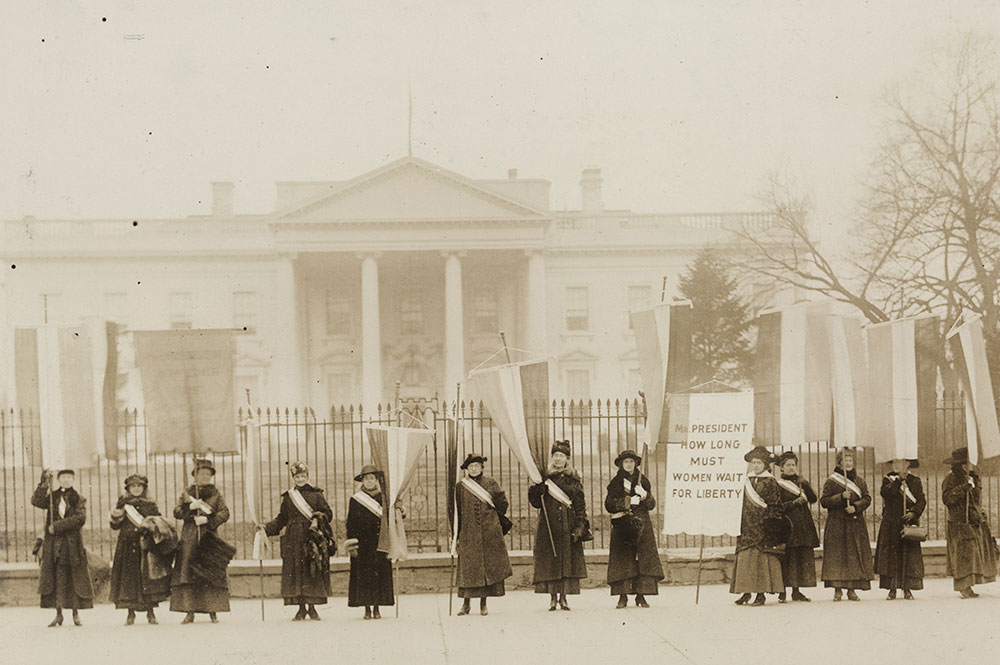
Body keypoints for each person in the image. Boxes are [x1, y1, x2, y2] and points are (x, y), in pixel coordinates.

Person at [261, 462, 334, 620]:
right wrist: (266, 528)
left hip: (311, 537)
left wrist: (318, 517)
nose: (300, 479)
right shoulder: (289, 497)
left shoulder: (317, 494)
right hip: (293, 538)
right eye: (297, 477)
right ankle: (301, 608)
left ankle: (312, 608)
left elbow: (328, 513)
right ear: (293, 478)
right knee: (296, 572)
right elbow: (282, 519)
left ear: (308, 477)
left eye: (303, 476)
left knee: (312, 569)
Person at [528, 440, 590, 611]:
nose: (558, 459)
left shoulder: (574, 478)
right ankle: (552, 598)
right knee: (551, 561)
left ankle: (563, 598)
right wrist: (536, 491)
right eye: (555, 456)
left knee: (565, 561)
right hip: (548, 524)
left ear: (567, 459)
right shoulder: (543, 477)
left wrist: (580, 524)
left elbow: (580, 503)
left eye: (561, 456)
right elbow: (536, 503)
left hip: (568, 524)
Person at [170, 458, 232, 623]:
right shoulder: (187, 493)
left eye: (207, 474)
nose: (204, 477)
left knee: (209, 572)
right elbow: (176, 512)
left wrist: (208, 521)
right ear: (194, 475)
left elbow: (225, 513)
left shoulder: (216, 494)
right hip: (190, 537)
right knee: (189, 573)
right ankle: (190, 611)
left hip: (208, 536)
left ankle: (212, 611)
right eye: (200, 473)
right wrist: (189, 508)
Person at [31, 469, 94, 627]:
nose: (66, 480)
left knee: (73, 578)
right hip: (54, 545)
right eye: (63, 478)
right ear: (59, 480)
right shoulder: (52, 497)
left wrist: (57, 527)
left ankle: (75, 613)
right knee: (57, 578)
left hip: (72, 545)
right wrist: (44, 483)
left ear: (73, 480)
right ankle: (58, 614)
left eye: (69, 478)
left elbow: (80, 518)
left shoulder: (78, 498)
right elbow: (36, 501)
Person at [454, 454, 513, 616]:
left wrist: (493, 518)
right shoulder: (461, 487)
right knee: (468, 569)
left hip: (489, 532)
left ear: (481, 468)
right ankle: (465, 604)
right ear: (467, 469)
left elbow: (502, 503)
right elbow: (456, 510)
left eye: (477, 466)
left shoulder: (491, 483)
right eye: (470, 466)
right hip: (468, 533)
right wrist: (457, 534)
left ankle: (483, 604)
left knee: (486, 570)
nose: (473, 469)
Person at [605, 449, 664, 608]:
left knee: (642, 560)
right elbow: (609, 505)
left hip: (641, 524)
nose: (629, 464)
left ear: (635, 463)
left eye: (631, 461)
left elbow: (651, 505)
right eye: (626, 462)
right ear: (621, 464)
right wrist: (628, 501)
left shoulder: (642, 481)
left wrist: (644, 496)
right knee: (623, 560)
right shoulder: (615, 483)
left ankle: (641, 596)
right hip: (623, 525)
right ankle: (622, 596)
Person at [109, 474, 169, 625]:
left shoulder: (150, 505)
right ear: (128, 489)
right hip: (127, 546)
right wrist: (117, 512)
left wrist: (150, 526)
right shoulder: (123, 504)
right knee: (129, 579)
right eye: (133, 486)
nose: (136, 489)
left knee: (147, 578)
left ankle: (150, 612)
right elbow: (115, 526)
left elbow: (159, 524)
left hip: (146, 546)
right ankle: (130, 613)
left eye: (139, 486)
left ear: (144, 488)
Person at [941, 447, 998, 598]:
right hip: (959, 522)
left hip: (973, 520)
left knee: (973, 553)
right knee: (962, 554)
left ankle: (970, 585)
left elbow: (975, 500)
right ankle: (963, 587)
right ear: (959, 465)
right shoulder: (951, 478)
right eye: (966, 464)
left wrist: (979, 512)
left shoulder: (973, 477)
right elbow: (947, 499)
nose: (969, 466)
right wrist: (963, 488)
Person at [731, 446, 784, 607]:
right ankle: (746, 592)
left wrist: (769, 523)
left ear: (766, 465)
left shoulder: (770, 482)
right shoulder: (746, 480)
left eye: (759, 462)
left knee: (760, 561)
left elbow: (775, 506)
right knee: (745, 559)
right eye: (753, 462)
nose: (755, 465)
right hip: (746, 526)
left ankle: (760, 594)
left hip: (762, 527)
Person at [820, 447, 874, 601]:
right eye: (845, 461)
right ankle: (837, 590)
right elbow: (824, 501)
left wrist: (855, 507)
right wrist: (841, 497)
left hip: (854, 522)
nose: (848, 463)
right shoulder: (831, 481)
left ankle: (851, 589)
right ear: (840, 463)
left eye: (851, 460)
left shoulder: (860, 481)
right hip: (837, 523)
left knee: (853, 555)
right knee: (837, 556)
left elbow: (867, 498)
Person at [346, 464, 395, 619]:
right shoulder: (355, 500)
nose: (369, 481)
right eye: (366, 479)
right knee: (364, 576)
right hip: (363, 544)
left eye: (372, 478)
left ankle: (377, 607)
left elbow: (391, 519)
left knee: (379, 575)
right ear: (362, 481)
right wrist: (353, 544)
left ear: (376, 480)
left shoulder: (384, 498)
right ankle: (367, 608)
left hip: (380, 542)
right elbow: (351, 523)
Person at [874, 458, 926, 600]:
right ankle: (892, 589)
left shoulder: (915, 481)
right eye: (894, 463)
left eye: (900, 463)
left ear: (907, 464)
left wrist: (914, 512)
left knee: (908, 557)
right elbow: (887, 494)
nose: (896, 466)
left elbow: (921, 500)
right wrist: (898, 481)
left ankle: (907, 588)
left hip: (908, 523)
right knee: (892, 557)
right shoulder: (888, 480)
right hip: (891, 523)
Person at [774, 450, 819, 602]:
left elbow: (813, 499)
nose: (791, 467)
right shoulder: (778, 485)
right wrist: (793, 503)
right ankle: (783, 592)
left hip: (803, 525)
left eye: (793, 465)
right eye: (788, 465)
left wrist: (806, 485)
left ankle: (796, 591)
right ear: (781, 468)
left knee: (799, 557)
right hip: (788, 525)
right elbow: (777, 507)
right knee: (788, 559)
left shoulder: (800, 482)